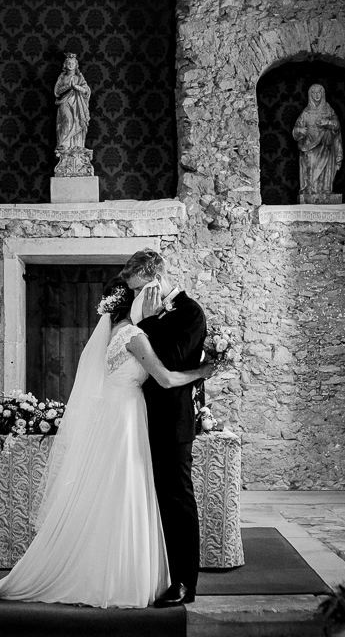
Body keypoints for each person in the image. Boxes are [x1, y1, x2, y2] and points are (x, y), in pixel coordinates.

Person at [0, 279, 216, 637]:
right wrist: (204, 371)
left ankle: (117, 570)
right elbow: (164, 379)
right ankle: (124, 576)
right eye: (138, 294)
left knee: (118, 494)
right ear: (130, 302)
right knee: (127, 494)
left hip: (124, 418)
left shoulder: (117, 334)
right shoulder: (133, 336)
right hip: (128, 421)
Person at [121, 248, 208, 607]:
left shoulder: (190, 313)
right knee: (150, 501)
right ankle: (157, 574)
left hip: (172, 421)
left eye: (140, 289)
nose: (136, 298)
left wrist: (150, 320)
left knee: (176, 500)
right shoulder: (145, 312)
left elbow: (170, 362)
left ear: (156, 281)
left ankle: (185, 582)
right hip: (139, 419)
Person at [291, 83, 342, 202]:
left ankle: (326, 190)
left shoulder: (328, 110)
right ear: (310, 95)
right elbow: (295, 130)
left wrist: (328, 123)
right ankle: (311, 190)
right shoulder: (306, 112)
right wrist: (300, 131)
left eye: (319, 92)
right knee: (311, 167)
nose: (317, 95)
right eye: (314, 93)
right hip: (310, 147)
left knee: (326, 170)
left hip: (326, 145)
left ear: (323, 94)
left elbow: (337, 126)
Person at [53, 53, 91, 152]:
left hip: (77, 104)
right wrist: (68, 86)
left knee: (78, 121)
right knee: (68, 120)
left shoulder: (79, 77)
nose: (70, 65)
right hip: (64, 102)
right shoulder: (62, 77)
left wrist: (76, 87)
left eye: (72, 63)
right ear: (65, 64)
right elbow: (56, 92)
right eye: (68, 63)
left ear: (76, 65)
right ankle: (63, 145)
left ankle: (76, 145)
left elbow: (86, 90)